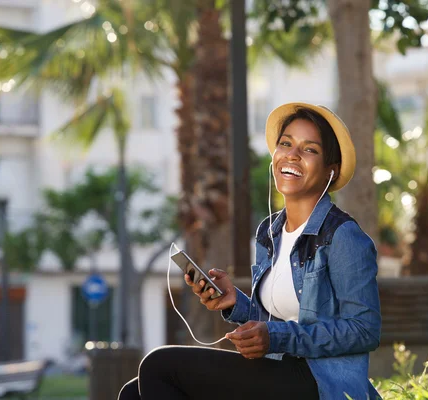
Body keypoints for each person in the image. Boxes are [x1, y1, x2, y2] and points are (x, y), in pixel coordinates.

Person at [118, 103, 382, 400]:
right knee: (133, 393)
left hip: (322, 383)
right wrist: (236, 304)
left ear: (330, 173)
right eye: (286, 143)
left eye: (310, 150)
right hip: (279, 372)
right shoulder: (269, 233)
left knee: (158, 365)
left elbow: (364, 329)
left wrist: (277, 338)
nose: (292, 154)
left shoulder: (343, 235)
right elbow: (276, 320)